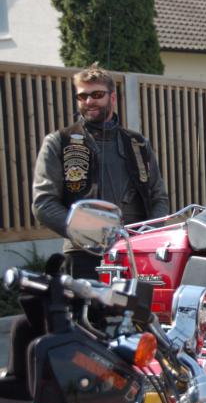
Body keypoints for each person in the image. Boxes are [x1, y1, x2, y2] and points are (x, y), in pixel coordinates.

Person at [31, 63, 169, 279]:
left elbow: (158, 197)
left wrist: (148, 235)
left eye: (96, 95)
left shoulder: (138, 143)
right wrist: (92, 235)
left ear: (112, 98)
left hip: (137, 253)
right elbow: (43, 204)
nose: (89, 101)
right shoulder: (59, 142)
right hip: (83, 255)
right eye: (82, 96)